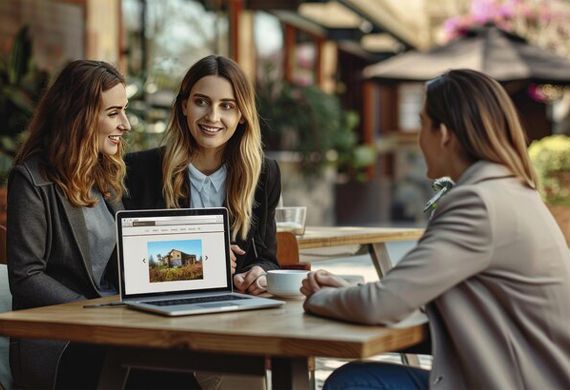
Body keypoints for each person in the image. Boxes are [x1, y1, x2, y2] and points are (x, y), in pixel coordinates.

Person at [301, 69, 570, 389]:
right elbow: (408, 296)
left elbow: (383, 305)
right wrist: (345, 291)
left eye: (422, 124)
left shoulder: (477, 202)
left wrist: (317, 298)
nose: (419, 138)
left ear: (443, 134)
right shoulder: (512, 191)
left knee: (355, 383)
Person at [7, 59, 130, 388]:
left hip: (114, 328)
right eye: (114, 112)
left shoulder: (105, 176)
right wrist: (93, 310)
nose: (126, 124)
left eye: (125, 110)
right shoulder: (31, 180)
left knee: (175, 370)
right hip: (58, 337)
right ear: (81, 116)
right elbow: (26, 276)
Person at [124, 55, 281, 295]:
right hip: (163, 309)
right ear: (184, 106)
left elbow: (267, 257)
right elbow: (126, 265)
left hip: (239, 310)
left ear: (241, 115)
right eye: (201, 102)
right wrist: (201, 261)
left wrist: (259, 273)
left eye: (227, 106)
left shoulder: (263, 173)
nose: (212, 116)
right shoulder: (141, 170)